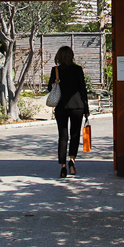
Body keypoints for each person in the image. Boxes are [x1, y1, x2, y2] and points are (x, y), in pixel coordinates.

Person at [48, 45, 89, 178]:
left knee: (63, 136)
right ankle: (72, 160)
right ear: (71, 56)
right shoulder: (78, 70)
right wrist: (86, 109)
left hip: (61, 107)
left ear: (59, 57)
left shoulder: (55, 70)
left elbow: (50, 88)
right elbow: (83, 89)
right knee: (75, 134)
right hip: (77, 106)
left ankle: (63, 167)